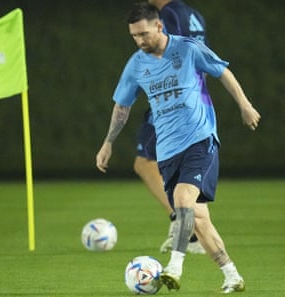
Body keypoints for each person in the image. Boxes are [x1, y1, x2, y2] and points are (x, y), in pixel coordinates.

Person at [96, 2, 260, 293]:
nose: (139, 41)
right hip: (167, 150)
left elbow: (222, 71)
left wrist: (245, 106)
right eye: (134, 36)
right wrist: (108, 142)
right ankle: (232, 275)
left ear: (159, 26)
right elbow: (122, 106)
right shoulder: (136, 64)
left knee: (184, 199)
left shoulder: (187, 49)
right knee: (198, 219)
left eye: (144, 34)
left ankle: (174, 267)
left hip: (200, 138)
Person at [134, 0, 208, 254]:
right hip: (193, 98)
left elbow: (173, 55)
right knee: (171, 166)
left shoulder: (168, 14)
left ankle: (187, 231)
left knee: (146, 163)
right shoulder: (193, 14)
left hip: (173, 101)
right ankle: (189, 229)